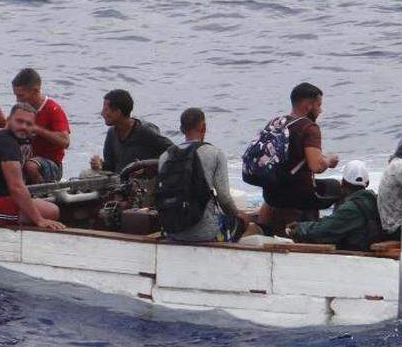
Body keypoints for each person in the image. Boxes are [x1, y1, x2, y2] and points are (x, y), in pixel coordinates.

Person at [156, 108, 253, 242]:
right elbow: (224, 198)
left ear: (181, 129)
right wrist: (238, 215)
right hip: (205, 233)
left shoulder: (165, 157)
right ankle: (226, 250)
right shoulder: (214, 153)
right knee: (243, 220)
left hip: (172, 230)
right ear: (204, 127)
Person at [257, 82, 340, 228]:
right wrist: (329, 161)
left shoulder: (276, 123)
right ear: (308, 106)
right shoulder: (309, 128)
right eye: (318, 105)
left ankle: (262, 224)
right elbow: (316, 166)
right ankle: (333, 229)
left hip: (271, 195)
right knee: (336, 186)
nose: (320, 110)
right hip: (298, 195)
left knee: (283, 181)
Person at [285, 160, 383, 252]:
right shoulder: (375, 200)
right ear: (368, 183)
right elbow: (335, 222)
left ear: (343, 183)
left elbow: (324, 231)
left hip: (355, 250)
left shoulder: (351, 208)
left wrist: (299, 229)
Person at [90, 89, 172, 173]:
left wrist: (148, 169)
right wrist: (100, 165)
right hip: (120, 180)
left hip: (143, 182)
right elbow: (110, 167)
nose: (102, 113)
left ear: (118, 112)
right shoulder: (111, 133)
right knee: (85, 174)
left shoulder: (145, 131)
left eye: (106, 110)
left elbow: (174, 154)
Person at [11, 68, 70, 183]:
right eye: (16, 96)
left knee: (30, 166)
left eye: (21, 96)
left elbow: (65, 141)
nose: (18, 100)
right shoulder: (21, 109)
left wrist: (38, 130)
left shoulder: (53, 110)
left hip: (51, 165)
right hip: (25, 158)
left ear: (35, 91)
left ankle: (42, 191)